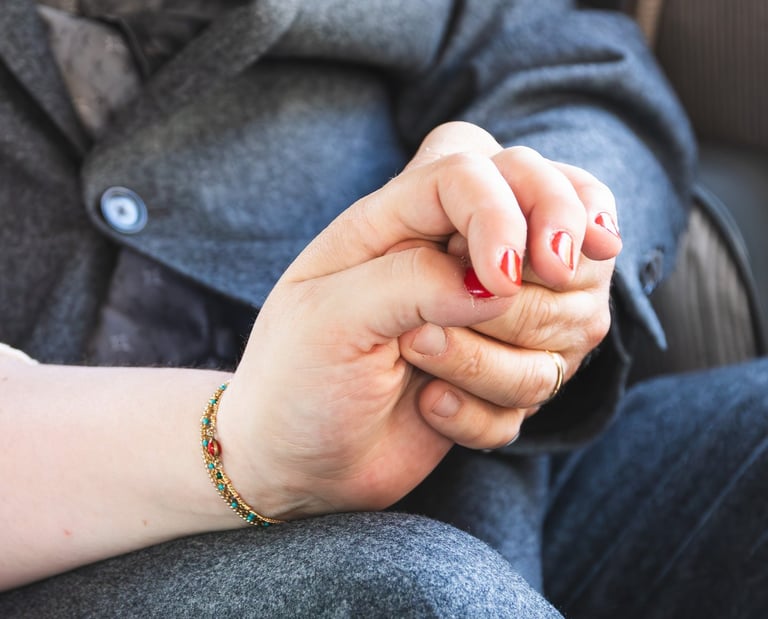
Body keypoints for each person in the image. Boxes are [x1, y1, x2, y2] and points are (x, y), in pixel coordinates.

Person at [1, 1, 766, 617]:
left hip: (488, 465)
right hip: (70, 546)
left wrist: (549, 225)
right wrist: (241, 439)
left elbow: (565, 58)